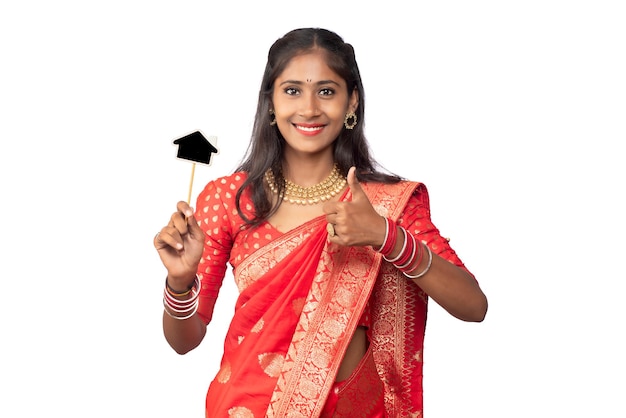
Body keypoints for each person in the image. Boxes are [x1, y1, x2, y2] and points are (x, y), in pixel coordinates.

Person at [154, 27, 488, 418]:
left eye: (326, 91)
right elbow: (184, 341)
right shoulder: (229, 199)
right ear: (270, 103)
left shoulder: (385, 205)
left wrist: (386, 236)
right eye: (292, 90)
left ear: (352, 103)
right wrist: (179, 282)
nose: (309, 108)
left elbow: (473, 305)